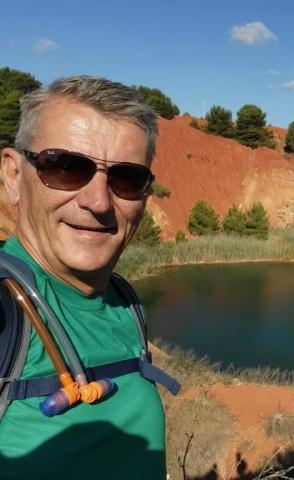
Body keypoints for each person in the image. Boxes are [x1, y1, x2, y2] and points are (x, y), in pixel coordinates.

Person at [0, 76, 168, 478]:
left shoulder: (124, 302)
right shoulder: (7, 308)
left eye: (127, 178)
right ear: (13, 175)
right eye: (66, 167)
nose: (98, 201)